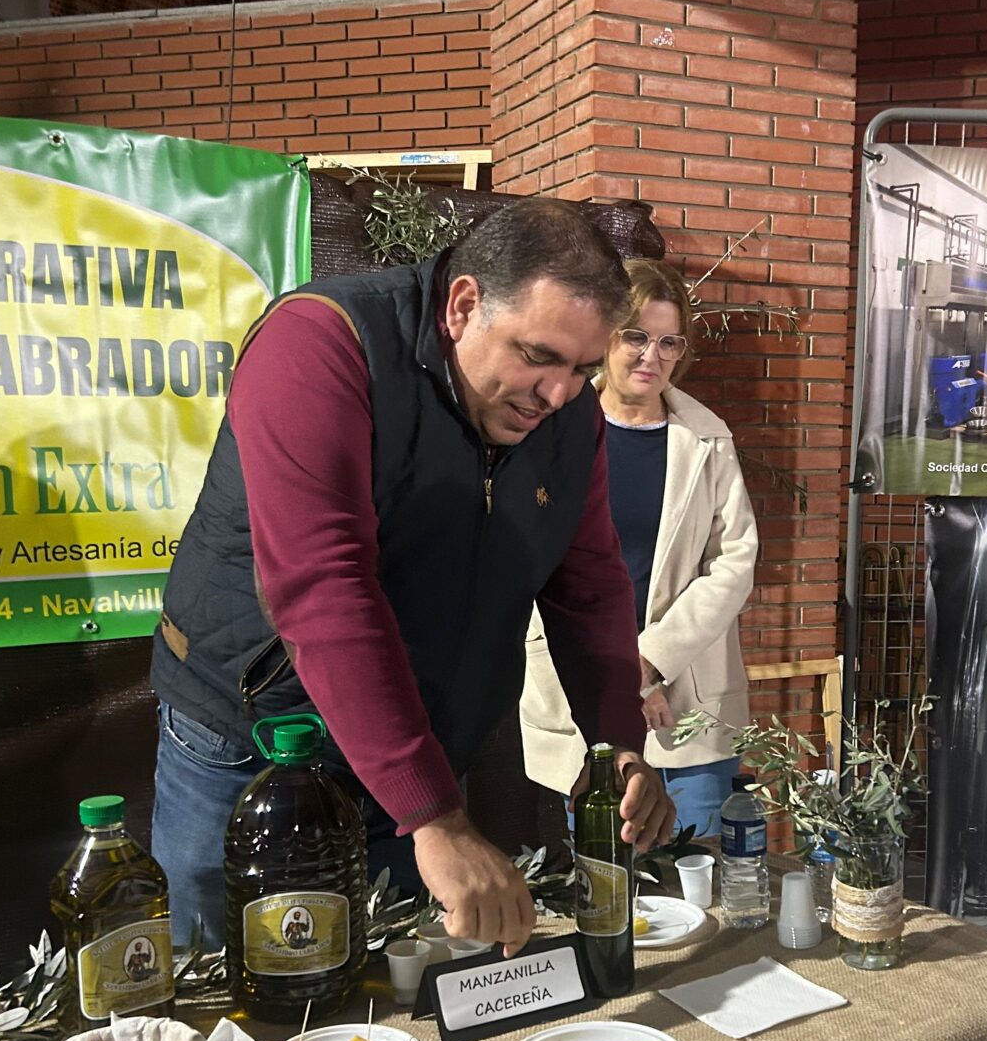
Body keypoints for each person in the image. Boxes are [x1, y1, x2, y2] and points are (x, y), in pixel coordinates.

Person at [149, 198, 676, 957]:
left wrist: (616, 747)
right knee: (226, 983)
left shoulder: (566, 416)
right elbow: (324, 588)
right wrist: (435, 817)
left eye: (582, 369)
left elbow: (587, 583)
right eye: (538, 356)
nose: (558, 395)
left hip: (419, 747)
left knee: (388, 995)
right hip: (253, 741)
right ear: (463, 305)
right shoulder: (320, 344)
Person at [520, 259, 758, 833]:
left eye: (668, 341)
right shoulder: (551, 432)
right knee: (607, 875)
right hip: (580, 689)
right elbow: (531, 562)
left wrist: (650, 661)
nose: (651, 356)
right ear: (605, 336)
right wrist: (619, 677)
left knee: (700, 877)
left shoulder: (707, 439)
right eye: (635, 336)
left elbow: (734, 562)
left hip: (685, 700)